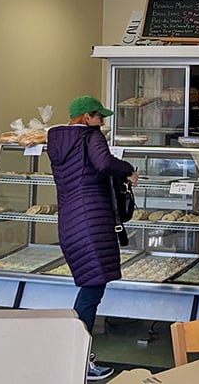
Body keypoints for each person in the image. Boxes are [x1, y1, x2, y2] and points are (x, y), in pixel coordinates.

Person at [47, 96, 139, 381]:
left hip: (70, 221)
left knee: (90, 288)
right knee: (91, 291)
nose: (103, 122)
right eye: (99, 116)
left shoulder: (57, 140)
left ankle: (76, 354)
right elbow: (103, 163)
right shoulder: (91, 136)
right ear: (86, 117)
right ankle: (78, 359)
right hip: (92, 221)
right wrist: (129, 170)